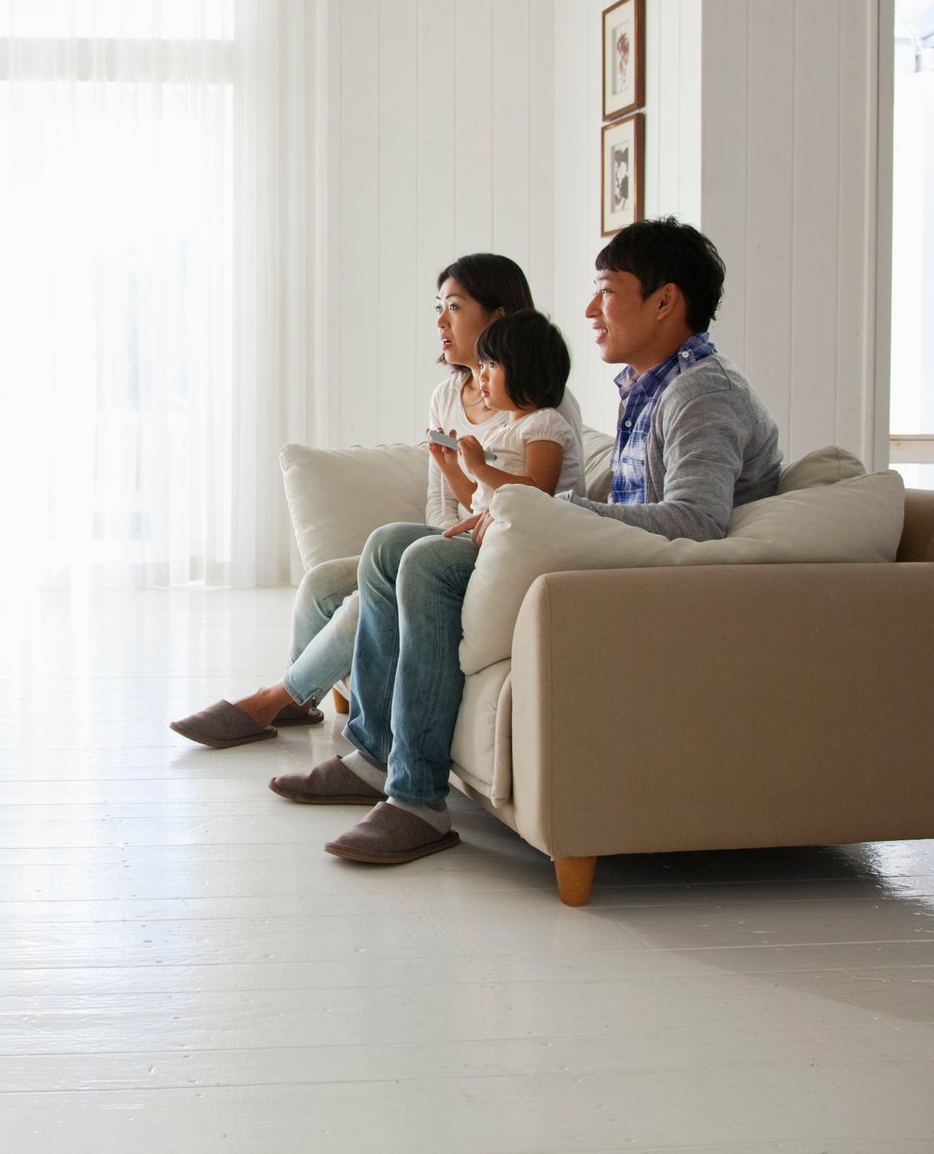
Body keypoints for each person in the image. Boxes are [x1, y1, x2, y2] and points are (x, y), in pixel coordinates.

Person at [269, 218, 782, 866]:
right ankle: (372, 753)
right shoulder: (652, 388)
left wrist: (551, 513)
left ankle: (416, 800)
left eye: (606, 290)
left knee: (426, 564)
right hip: (611, 557)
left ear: (663, 301)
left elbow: (696, 522)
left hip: (646, 584)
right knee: (389, 546)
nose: (590, 310)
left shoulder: (700, 394)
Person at [169, 255, 584, 749]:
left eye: (454, 307)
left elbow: (542, 497)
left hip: (505, 548)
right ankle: (301, 701)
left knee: (375, 587)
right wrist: (450, 513)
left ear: (497, 317)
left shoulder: (542, 403)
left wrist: (465, 508)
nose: (440, 322)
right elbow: (440, 499)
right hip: (455, 535)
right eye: (438, 307)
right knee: (323, 583)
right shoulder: (448, 395)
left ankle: (271, 700)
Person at [434, 310, 579, 516]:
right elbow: (478, 503)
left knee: (420, 548)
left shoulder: (545, 423)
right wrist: (450, 468)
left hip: (522, 542)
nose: (482, 374)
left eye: (492, 365)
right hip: (490, 536)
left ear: (528, 370)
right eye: (482, 364)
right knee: (390, 536)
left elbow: (538, 492)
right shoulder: (499, 431)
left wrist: (480, 468)